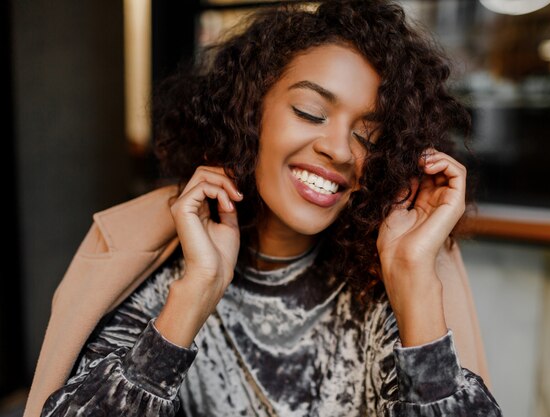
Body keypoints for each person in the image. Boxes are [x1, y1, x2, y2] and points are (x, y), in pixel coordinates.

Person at [24, 1, 502, 416]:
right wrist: (197, 290)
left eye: (368, 137)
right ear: (249, 111)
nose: (339, 150)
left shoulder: (383, 289)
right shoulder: (153, 274)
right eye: (310, 113)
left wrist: (414, 279)